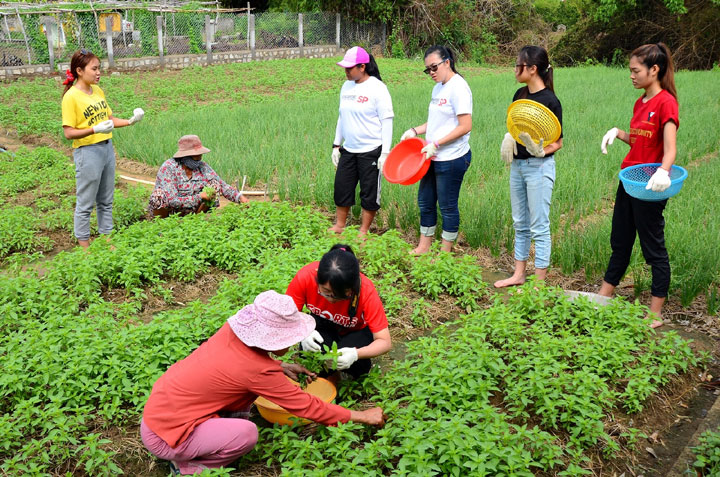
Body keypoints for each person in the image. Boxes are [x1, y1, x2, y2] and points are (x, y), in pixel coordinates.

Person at [141, 290, 386, 475]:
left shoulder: (230, 333)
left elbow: (234, 367)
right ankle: (188, 467)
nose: (290, 344)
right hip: (166, 436)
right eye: (287, 338)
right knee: (246, 434)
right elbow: (309, 407)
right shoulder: (256, 371)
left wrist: (280, 366)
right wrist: (362, 416)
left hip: (157, 414)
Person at [597, 43, 679, 329]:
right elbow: (641, 140)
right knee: (620, 239)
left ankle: (655, 313)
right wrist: (618, 133)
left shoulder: (666, 102)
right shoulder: (640, 102)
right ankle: (604, 296)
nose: (631, 76)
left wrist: (664, 171)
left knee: (653, 247)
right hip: (630, 180)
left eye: (636, 71)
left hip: (651, 185)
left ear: (654, 70)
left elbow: (669, 148)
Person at [494, 46, 563, 288]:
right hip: (518, 166)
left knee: (539, 226)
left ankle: (539, 283)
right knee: (519, 223)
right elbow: (515, 126)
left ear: (532, 69)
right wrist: (509, 136)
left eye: (518, 65)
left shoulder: (551, 101)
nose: (515, 69)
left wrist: (542, 150)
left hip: (539, 168)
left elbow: (559, 142)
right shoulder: (520, 94)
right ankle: (519, 274)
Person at [61, 49, 144, 248]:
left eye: (100, 68)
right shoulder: (71, 97)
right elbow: (68, 132)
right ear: (79, 71)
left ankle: (106, 239)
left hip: (106, 149)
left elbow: (108, 120)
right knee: (86, 202)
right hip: (88, 152)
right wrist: (92, 129)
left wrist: (131, 121)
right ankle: (85, 247)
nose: (99, 73)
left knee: (106, 199)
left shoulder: (97, 91)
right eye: (94, 68)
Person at [401, 45, 473, 254]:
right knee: (425, 201)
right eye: (427, 70)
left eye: (434, 67)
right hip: (431, 156)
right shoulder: (438, 87)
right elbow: (434, 123)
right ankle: (424, 245)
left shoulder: (459, 87)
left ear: (447, 62)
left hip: (452, 158)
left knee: (447, 205)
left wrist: (437, 143)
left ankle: (445, 252)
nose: (431, 73)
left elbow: (465, 126)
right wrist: (414, 131)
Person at [286, 244, 391, 378]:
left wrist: (355, 354)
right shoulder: (306, 276)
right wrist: (303, 332)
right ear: (317, 279)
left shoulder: (366, 290)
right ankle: (329, 379)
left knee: (355, 365)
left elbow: (385, 342)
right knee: (313, 357)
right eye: (326, 292)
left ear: (353, 287)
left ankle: (346, 373)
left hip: (356, 332)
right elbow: (287, 314)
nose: (331, 299)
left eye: (339, 295)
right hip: (322, 325)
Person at [330, 46, 394, 236]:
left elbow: (387, 120)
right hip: (349, 149)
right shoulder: (346, 86)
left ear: (362, 67)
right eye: (345, 68)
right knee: (342, 187)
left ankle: (363, 230)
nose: (346, 71)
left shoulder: (378, 88)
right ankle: (339, 225)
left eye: (350, 68)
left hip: (371, 149)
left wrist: (385, 152)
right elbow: (342, 117)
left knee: (369, 192)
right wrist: (336, 145)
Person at [148, 135, 249, 218]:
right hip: (171, 213)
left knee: (214, 185)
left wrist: (239, 197)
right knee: (158, 196)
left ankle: (197, 220)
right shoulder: (169, 168)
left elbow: (222, 186)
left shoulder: (202, 166)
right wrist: (199, 196)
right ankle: (162, 225)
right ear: (185, 156)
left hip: (193, 211)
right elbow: (172, 201)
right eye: (196, 155)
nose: (200, 157)